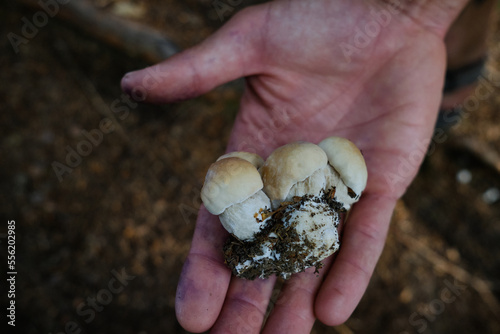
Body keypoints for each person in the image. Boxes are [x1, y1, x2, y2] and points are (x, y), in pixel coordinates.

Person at [120, 0, 494, 332]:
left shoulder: (323, 171)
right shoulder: (268, 177)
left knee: (459, 61)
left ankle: (445, 111)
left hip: (444, 40)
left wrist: (417, 18)